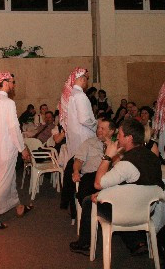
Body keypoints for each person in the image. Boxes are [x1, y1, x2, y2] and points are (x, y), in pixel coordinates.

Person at [69, 119, 164, 256]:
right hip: (146, 208)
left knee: (88, 201)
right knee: (101, 196)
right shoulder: (153, 157)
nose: (117, 137)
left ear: (129, 138)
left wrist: (107, 156)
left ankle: (84, 244)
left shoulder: (128, 163)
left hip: (128, 210)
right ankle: (137, 242)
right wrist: (106, 194)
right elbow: (132, 183)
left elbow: (98, 184)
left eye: (120, 134)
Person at [0, 72, 32, 230]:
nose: (14, 85)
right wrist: (22, 148)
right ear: (4, 83)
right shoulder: (8, 103)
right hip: (6, 148)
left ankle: (18, 207)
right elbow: (14, 128)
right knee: (2, 181)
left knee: (6, 178)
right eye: (12, 82)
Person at [58, 67, 96, 218]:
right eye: (86, 78)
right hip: (84, 137)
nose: (87, 82)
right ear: (81, 79)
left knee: (74, 168)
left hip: (75, 137)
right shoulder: (80, 96)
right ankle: (78, 206)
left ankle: (71, 203)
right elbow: (85, 119)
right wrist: (97, 126)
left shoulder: (71, 95)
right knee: (82, 171)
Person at [72, 118, 115, 205]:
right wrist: (76, 171)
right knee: (86, 197)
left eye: (102, 128)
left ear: (111, 131)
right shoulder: (89, 143)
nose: (99, 130)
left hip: (109, 177)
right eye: (98, 127)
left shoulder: (116, 145)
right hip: (90, 176)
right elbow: (78, 160)